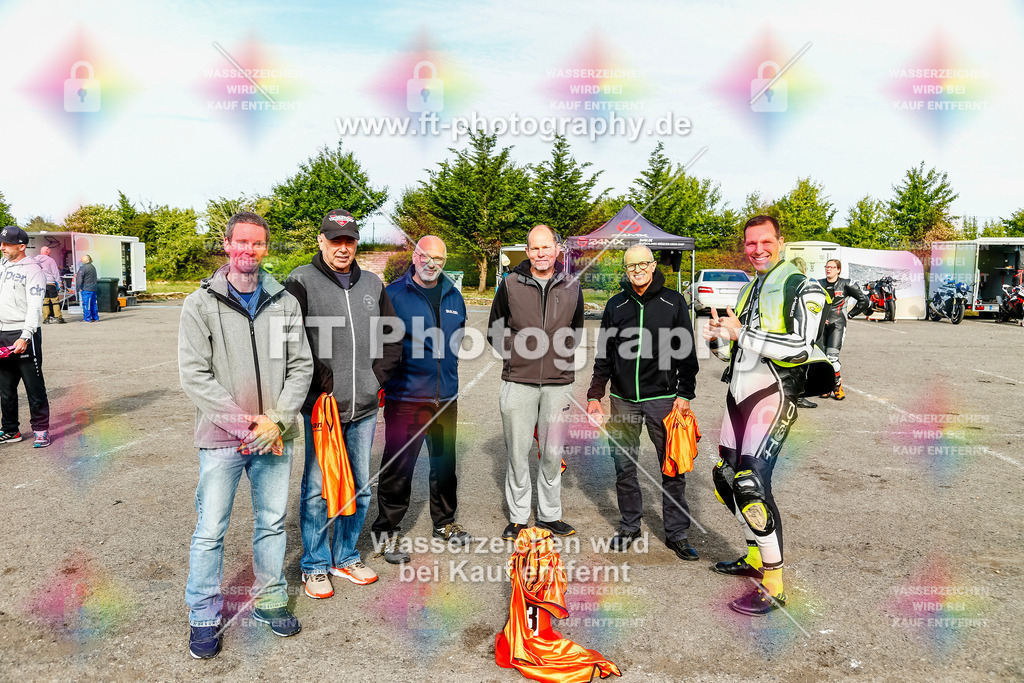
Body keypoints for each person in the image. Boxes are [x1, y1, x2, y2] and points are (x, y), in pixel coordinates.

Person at [178, 211, 313, 658]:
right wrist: (246, 425)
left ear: (266, 248)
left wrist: (276, 420)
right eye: (241, 242)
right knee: (210, 529)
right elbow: (194, 375)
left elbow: (301, 367)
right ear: (227, 244)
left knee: (271, 522)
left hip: (274, 435)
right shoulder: (200, 303)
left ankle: (270, 599)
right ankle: (203, 614)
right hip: (222, 438)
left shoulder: (285, 302)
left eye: (257, 243)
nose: (249, 250)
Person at [703, 215, 832, 616]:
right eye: (750, 243)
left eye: (765, 242)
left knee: (750, 484)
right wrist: (719, 340)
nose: (757, 250)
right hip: (738, 395)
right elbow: (738, 350)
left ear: (780, 241)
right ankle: (756, 555)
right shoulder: (750, 288)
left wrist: (741, 334)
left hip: (773, 394)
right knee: (726, 478)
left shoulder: (803, 286)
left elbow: (800, 346)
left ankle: (774, 584)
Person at [284, 209, 402, 597]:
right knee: (318, 489)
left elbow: (392, 335)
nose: (342, 248)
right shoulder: (301, 280)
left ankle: (345, 556)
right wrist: (323, 382)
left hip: (364, 406)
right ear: (321, 240)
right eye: (335, 240)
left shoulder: (372, 283)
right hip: (323, 408)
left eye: (349, 240)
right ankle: (315, 565)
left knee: (360, 488)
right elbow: (291, 340)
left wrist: (376, 377)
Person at [586, 245, 700, 560]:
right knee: (624, 467)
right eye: (630, 266)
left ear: (652, 266)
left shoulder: (674, 302)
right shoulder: (616, 304)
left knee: (672, 468)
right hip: (623, 400)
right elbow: (604, 354)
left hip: (663, 400)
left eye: (642, 264)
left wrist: (685, 393)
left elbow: (686, 352)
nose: (637, 270)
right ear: (626, 270)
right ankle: (630, 526)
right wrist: (595, 394)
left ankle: (677, 533)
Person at [370, 235, 470, 564]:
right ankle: (386, 531)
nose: (431, 263)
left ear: (444, 261)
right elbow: (379, 343)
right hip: (406, 397)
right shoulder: (395, 294)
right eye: (425, 256)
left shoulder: (454, 295)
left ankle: (444, 522)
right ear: (414, 257)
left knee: (445, 465)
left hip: (445, 398)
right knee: (398, 467)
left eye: (438, 258)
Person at [488, 224, 584, 540]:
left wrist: (559, 355)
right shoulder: (510, 284)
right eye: (535, 248)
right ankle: (518, 518)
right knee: (518, 453)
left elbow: (576, 330)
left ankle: (549, 515)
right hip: (519, 381)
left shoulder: (572, 286)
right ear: (527, 251)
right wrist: (518, 356)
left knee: (553, 453)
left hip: (558, 383)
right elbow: (494, 330)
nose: (541, 253)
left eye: (546, 247)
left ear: (557, 249)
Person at [0, 226, 50, 448]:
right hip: (2, 333)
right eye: (1, 243)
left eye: (7, 244)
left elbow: (35, 307)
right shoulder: (2, 265)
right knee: (5, 388)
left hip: (23, 334)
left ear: (21, 246)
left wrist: (26, 336)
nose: (2, 248)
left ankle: (40, 430)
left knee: (34, 386)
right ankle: (10, 430)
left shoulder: (33, 271)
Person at [817, 259, 868, 401]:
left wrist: (850, 315)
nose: (829, 269)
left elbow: (864, 300)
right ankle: (826, 387)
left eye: (832, 267)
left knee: (832, 358)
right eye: (827, 267)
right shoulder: (818, 283)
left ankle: (837, 386)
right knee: (821, 359)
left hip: (837, 325)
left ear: (838, 270)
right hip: (820, 326)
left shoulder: (846, 284)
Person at [788, 257, 818, 410]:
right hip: (799, 330)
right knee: (801, 364)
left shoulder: (783, 283)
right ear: (804, 270)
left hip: (783, 329)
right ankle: (798, 397)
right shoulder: (805, 284)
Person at [36, 246, 66, 324]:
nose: (50, 252)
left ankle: (46, 319)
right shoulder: (50, 260)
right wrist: (59, 282)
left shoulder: (35, 260)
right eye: (49, 250)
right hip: (50, 283)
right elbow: (55, 272)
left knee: (45, 301)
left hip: (41, 283)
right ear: (47, 251)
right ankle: (58, 317)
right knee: (55, 301)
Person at [76, 254, 99, 323]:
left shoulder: (83, 268)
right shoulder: (93, 267)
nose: (81, 260)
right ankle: (95, 318)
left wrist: (78, 288)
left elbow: (80, 279)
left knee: (86, 304)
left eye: (82, 259)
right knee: (93, 304)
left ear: (87, 260)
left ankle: (87, 319)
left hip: (86, 289)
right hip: (93, 288)